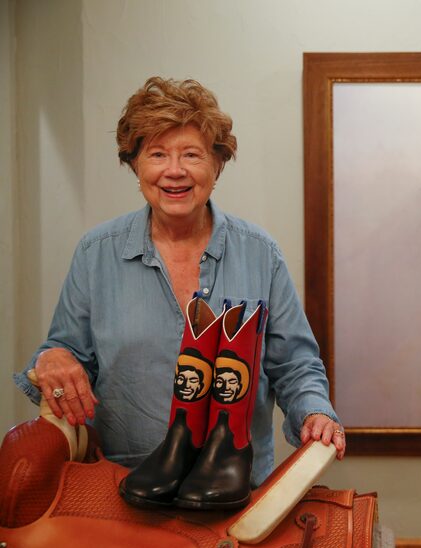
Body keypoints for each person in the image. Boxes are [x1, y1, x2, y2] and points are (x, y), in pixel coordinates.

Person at [14, 77, 346, 491]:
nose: (175, 171)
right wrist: (53, 358)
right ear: (135, 165)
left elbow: (295, 365)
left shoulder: (261, 253)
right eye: (157, 154)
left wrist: (315, 413)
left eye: (192, 154)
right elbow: (67, 356)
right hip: (123, 488)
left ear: (217, 165)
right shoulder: (95, 253)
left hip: (237, 492)